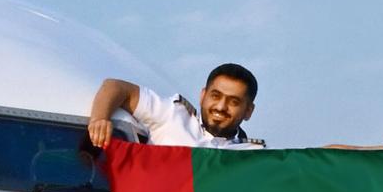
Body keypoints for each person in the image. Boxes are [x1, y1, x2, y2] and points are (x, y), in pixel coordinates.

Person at [87, 63, 263, 151]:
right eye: (215, 96)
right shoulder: (173, 115)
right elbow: (115, 87)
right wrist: (99, 119)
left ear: (248, 111)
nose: (221, 107)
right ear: (203, 96)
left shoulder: (253, 156)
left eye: (234, 102)